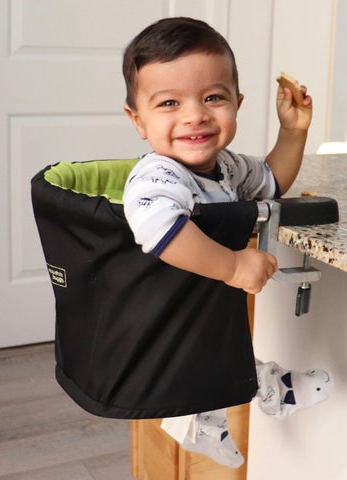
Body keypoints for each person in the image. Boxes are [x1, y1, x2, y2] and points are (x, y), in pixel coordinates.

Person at [121, 17, 333, 468]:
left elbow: (271, 180)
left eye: (213, 98)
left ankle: (225, 410)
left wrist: (292, 132)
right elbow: (159, 228)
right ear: (138, 121)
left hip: (205, 310)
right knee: (210, 354)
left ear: (238, 103)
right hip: (164, 315)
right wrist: (235, 267)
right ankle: (260, 394)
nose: (195, 114)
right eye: (170, 103)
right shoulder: (158, 175)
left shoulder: (228, 166)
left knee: (221, 348)